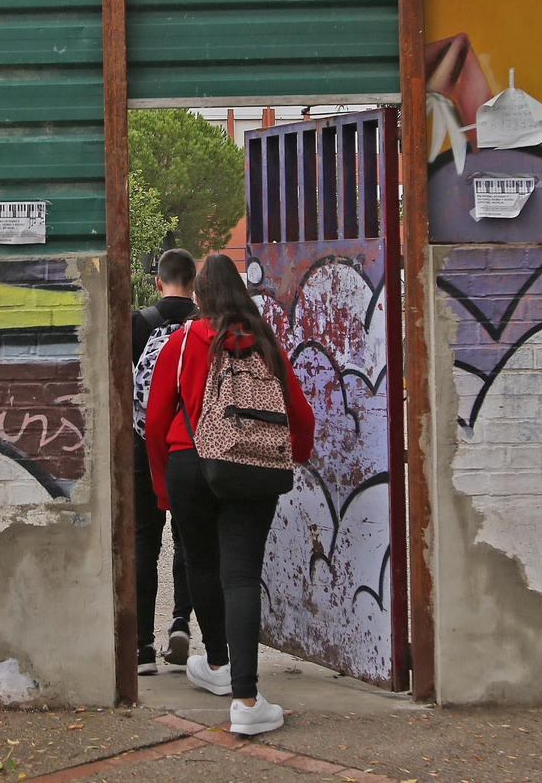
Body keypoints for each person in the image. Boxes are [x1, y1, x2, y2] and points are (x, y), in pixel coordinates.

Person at [144, 253, 315, 736]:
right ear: (242, 295)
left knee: (199, 563)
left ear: (198, 297)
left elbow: (156, 421)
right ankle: (245, 699)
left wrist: (163, 484)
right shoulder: (265, 344)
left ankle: (216, 665)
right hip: (248, 465)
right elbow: (301, 418)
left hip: (186, 462)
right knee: (240, 576)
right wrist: (288, 456)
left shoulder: (180, 343)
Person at [130, 249, 197, 676]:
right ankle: (180, 622)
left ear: (159, 281)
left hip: (143, 445)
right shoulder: (202, 327)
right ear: (193, 283)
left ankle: (140, 647)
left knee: (143, 540)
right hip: (190, 445)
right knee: (190, 538)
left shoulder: (138, 323)